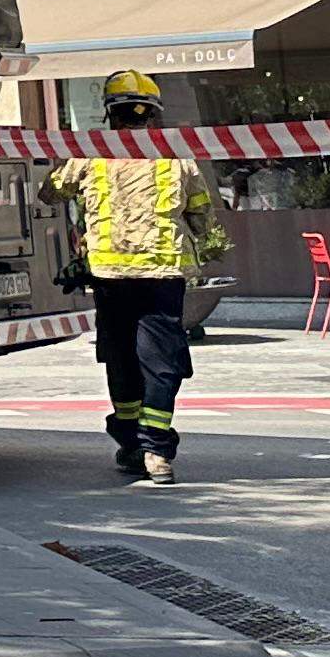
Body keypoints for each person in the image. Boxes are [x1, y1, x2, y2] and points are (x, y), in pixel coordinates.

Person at [51, 69, 225, 483]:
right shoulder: (177, 158)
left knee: (121, 359)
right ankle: (156, 452)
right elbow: (202, 216)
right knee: (161, 364)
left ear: (110, 113)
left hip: (110, 278)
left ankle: (130, 441)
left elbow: (50, 191)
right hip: (162, 278)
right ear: (153, 115)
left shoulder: (91, 156)